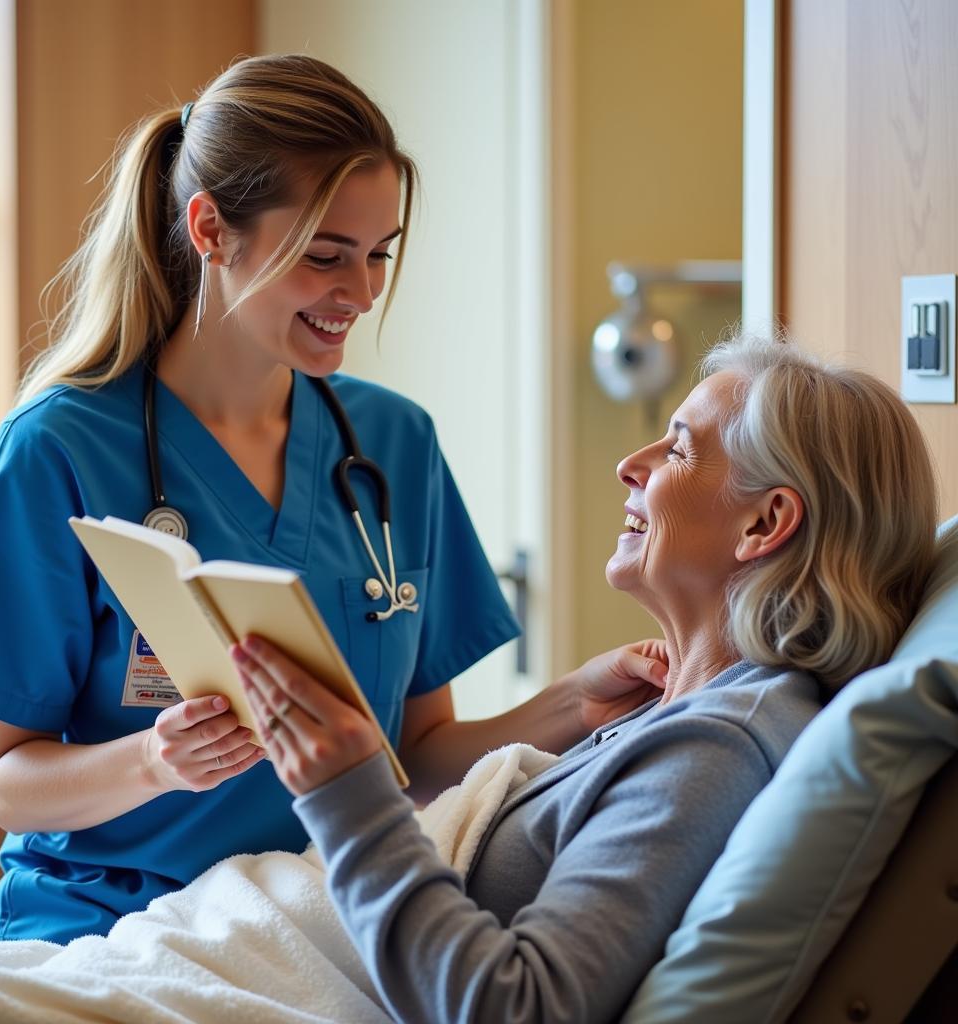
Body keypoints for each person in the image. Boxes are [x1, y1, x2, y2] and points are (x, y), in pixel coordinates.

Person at [0, 54, 663, 944]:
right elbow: (9, 781)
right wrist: (156, 762)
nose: (358, 293)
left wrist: (577, 704)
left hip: (313, 922)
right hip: (103, 926)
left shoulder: (394, 447)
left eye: (377, 256)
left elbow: (416, 758)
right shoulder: (59, 448)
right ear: (209, 229)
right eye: (325, 256)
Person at [233, 332, 939, 1023]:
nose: (631, 464)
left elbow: (523, 1008)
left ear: (764, 524)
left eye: (679, 448)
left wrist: (348, 800)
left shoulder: (713, 750)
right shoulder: (684, 710)